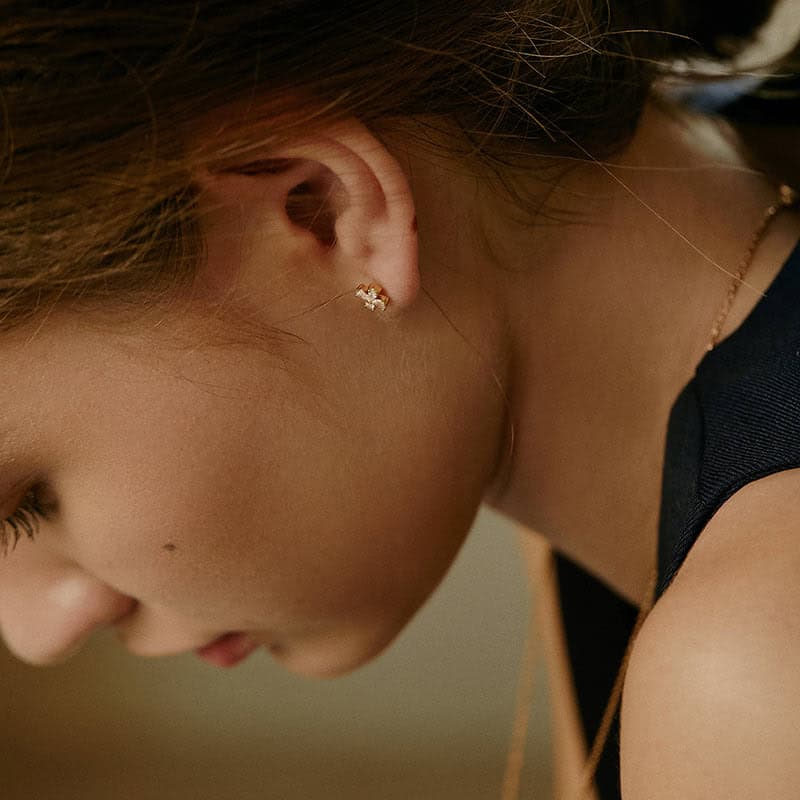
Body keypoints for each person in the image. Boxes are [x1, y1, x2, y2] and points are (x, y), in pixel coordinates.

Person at [0, 2, 798, 798]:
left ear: (320, 209)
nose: (39, 632)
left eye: (30, 504)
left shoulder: (753, 666)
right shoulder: (611, 480)